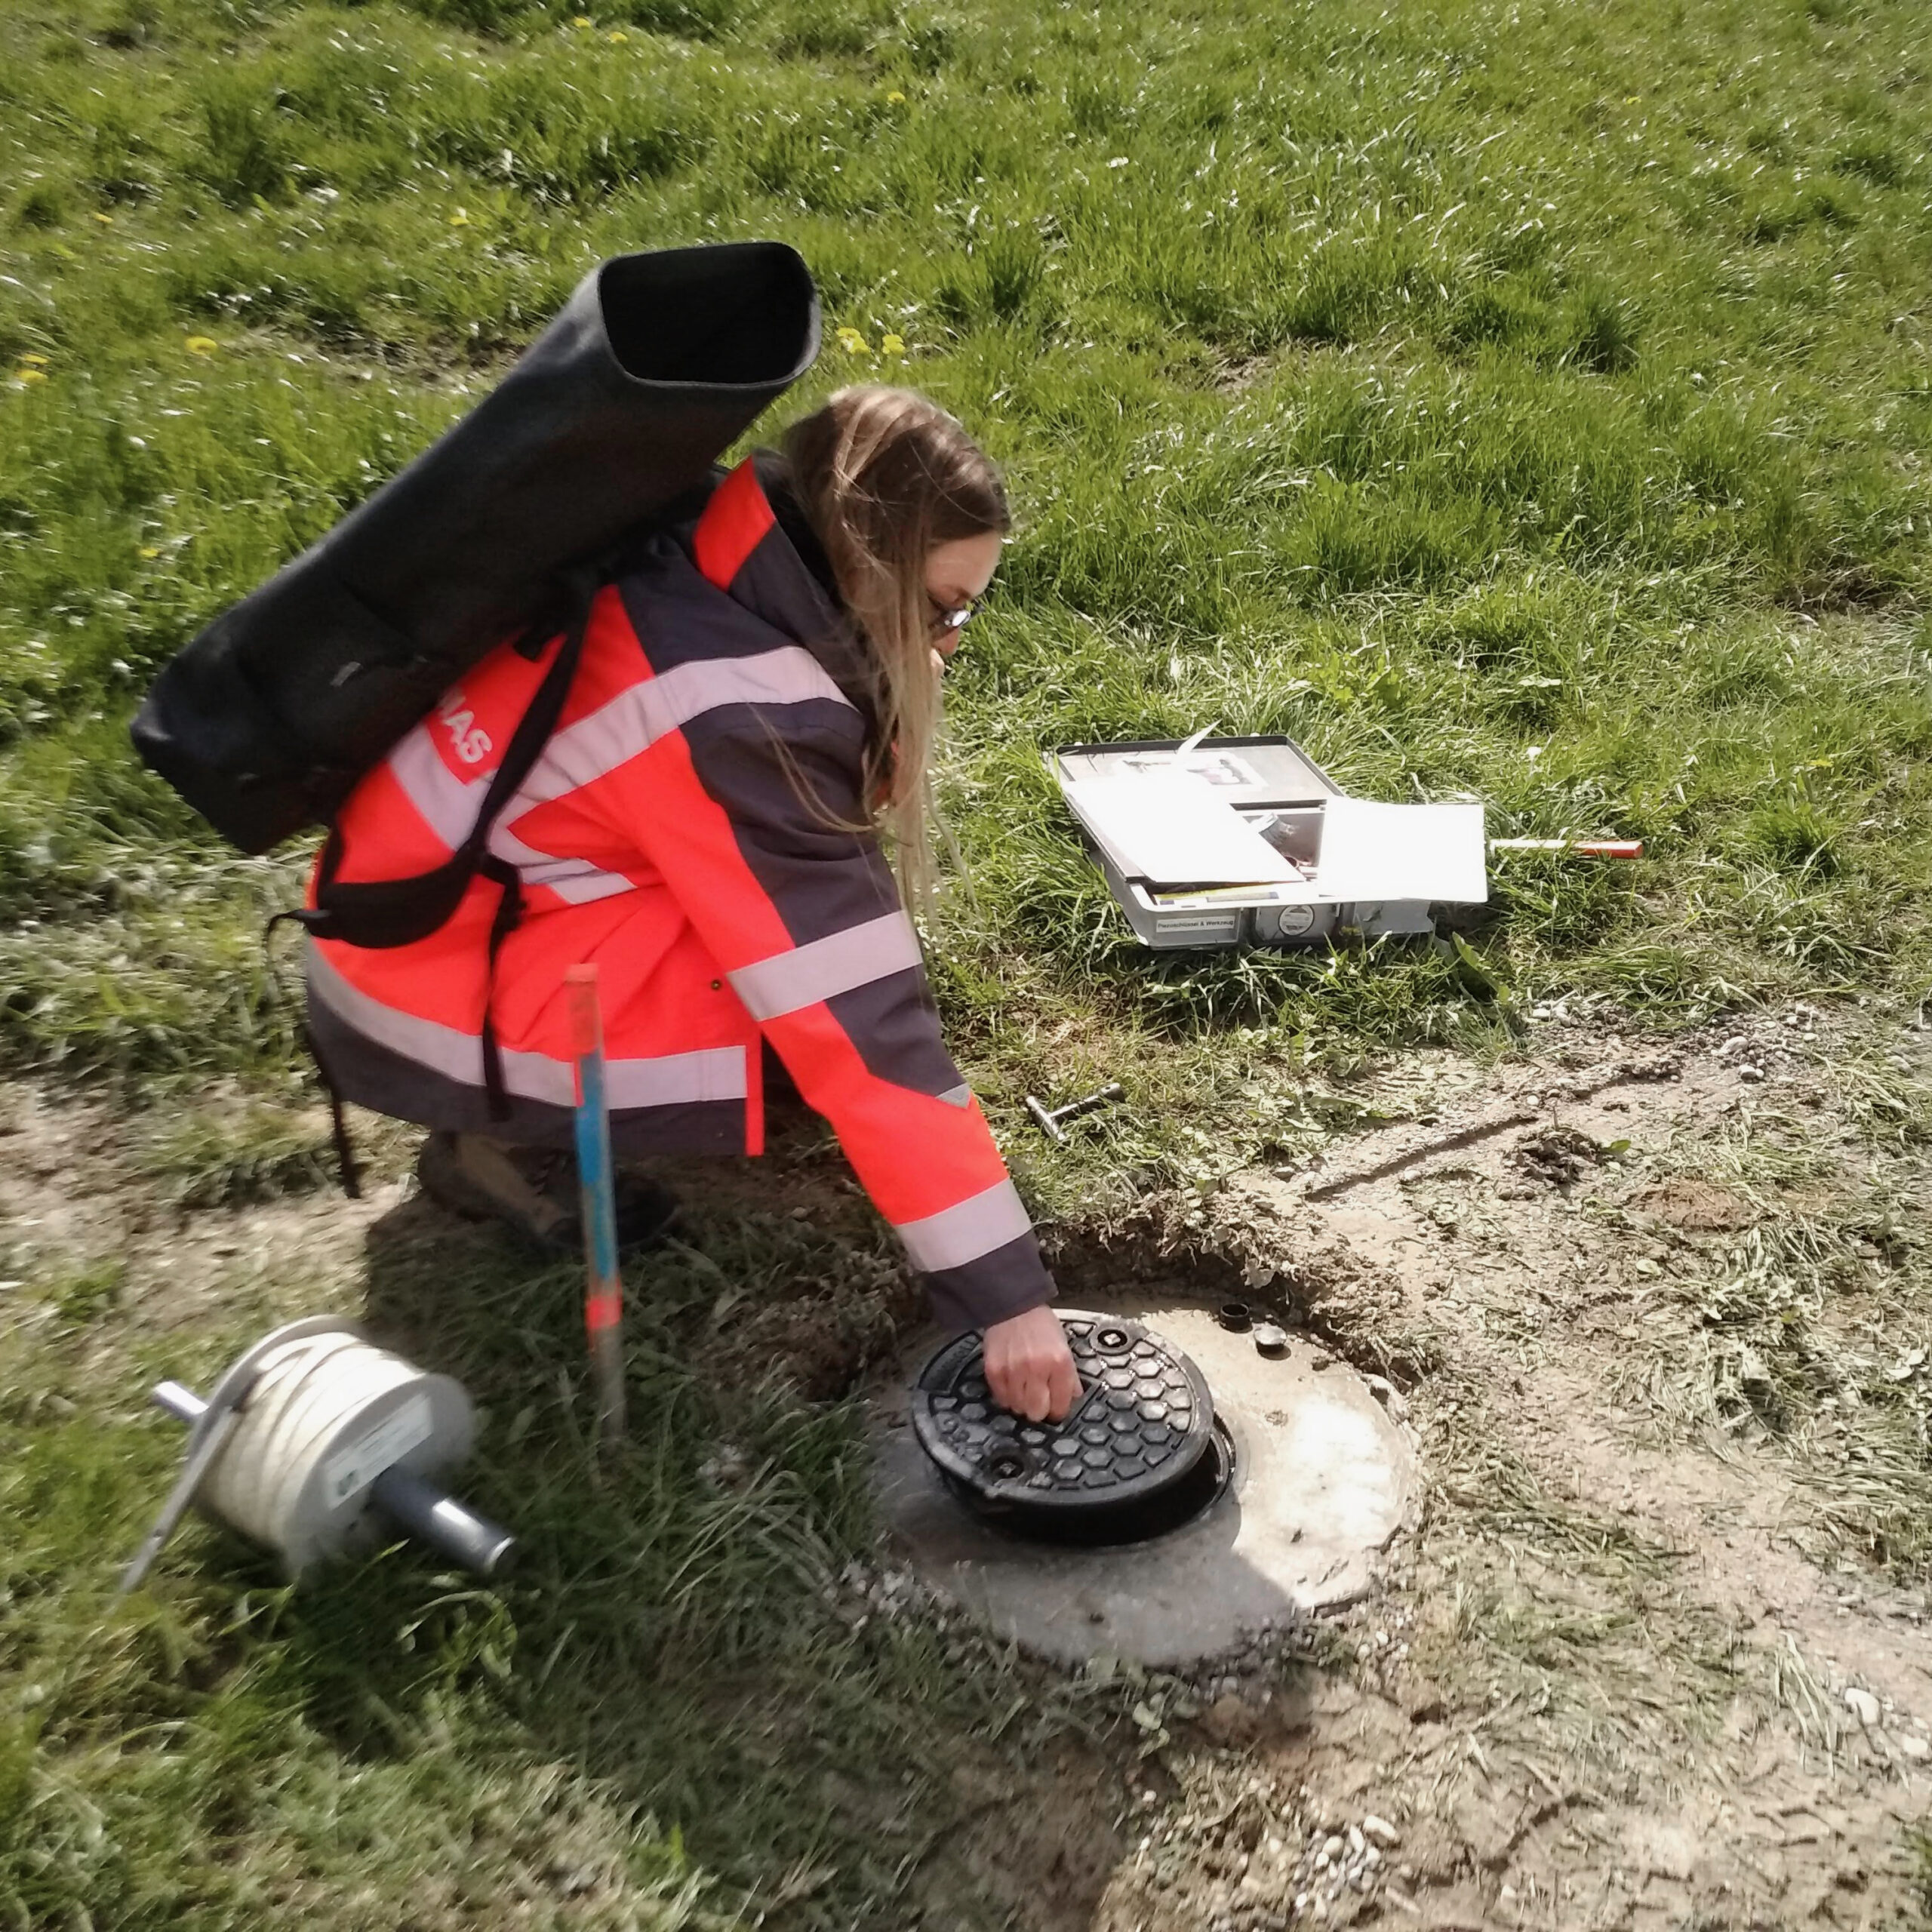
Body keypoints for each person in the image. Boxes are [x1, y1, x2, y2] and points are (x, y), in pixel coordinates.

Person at [303, 385, 1081, 1423]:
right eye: (941, 608)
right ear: (864, 562)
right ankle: (500, 1145)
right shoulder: (731, 714)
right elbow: (854, 1015)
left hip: (414, 923)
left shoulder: (721, 550)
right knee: (796, 965)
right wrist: (1006, 1294)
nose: (950, 642)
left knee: (779, 929)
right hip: (427, 994)